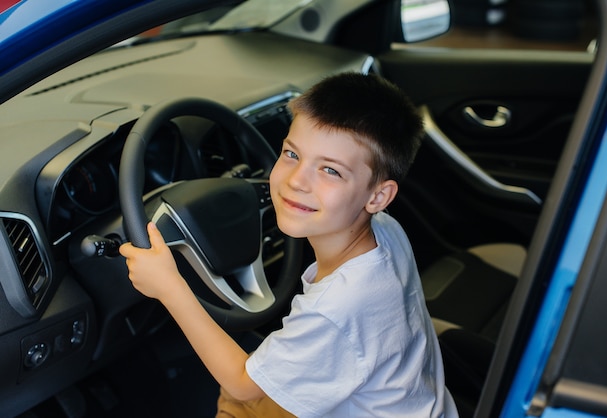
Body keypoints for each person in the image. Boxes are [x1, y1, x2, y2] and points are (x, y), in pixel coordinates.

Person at [120, 72, 458, 417]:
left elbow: (243, 382)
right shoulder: (386, 230)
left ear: (378, 195)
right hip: (421, 403)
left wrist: (170, 287)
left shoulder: (336, 307)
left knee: (233, 401)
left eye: (330, 171)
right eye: (291, 154)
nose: (296, 181)